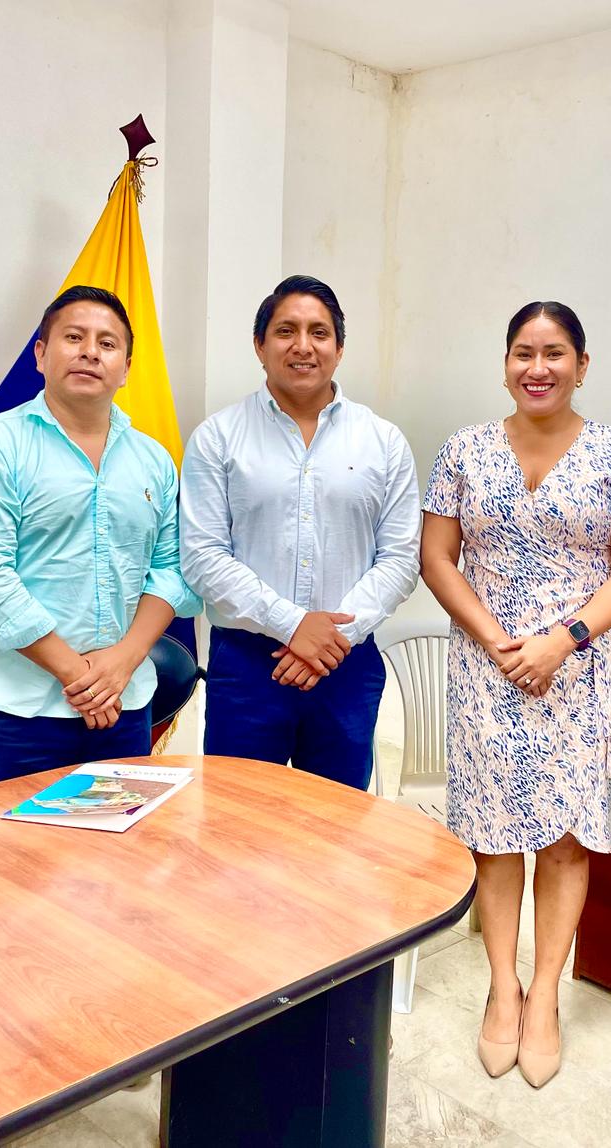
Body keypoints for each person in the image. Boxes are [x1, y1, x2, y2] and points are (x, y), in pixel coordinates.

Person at [421, 301, 611, 1088]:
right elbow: (437, 556)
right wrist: (498, 640)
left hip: (581, 673)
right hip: (486, 670)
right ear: (505, 365)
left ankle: (547, 992)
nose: (538, 367)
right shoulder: (463, 449)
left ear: (582, 366)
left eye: (555, 352)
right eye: (523, 352)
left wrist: (563, 639)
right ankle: (503, 987)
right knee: (494, 837)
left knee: (564, 839)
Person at [0, 285, 201, 787]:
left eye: (107, 343)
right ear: (41, 354)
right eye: (74, 337)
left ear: (126, 368)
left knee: (123, 841)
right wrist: (79, 677)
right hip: (19, 714)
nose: (90, 352)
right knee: (14, 842)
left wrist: (123, 662)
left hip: (125, 705)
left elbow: (171, 570)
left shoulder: (153, 459)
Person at [179, 275, 420, 790]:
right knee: (239, 819)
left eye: (319, 332)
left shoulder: (383, 441)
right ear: (259, 345)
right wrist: (292, 626)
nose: (303, 346)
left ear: (339, 348)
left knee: (337, 825)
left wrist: (330, 639)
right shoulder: (217, 438)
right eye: (286, 331)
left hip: (346, 667)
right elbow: (203, 557)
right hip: (247, 667)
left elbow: (400, 558)